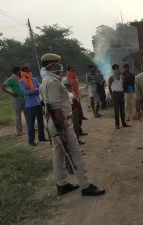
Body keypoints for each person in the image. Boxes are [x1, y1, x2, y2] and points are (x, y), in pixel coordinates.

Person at [40, 53, 105, 196]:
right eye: (57, 63)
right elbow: (55, 107)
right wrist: (63, 128)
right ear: (52, 65)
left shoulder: (46, 81)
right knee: (75, 154)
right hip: (61, 122)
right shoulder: (53, 82)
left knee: (58, 155)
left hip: (53, 122)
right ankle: (85, 185)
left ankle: (61, 184)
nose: (60, 65)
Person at [18, 65, 48, 146]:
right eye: (25, 71)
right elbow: (25, 92)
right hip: (29, 105)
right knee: (31, 124)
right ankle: (31, 141)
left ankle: (41, 137)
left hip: (38, 103)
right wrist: (34, 90)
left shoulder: (34, 80)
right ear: (22, 72)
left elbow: (40, 89)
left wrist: (32, 90)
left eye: (28, 70)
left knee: (40, 121)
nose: (28, 72)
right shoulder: (21, 82)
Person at [0, 66, 25, 136]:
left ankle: (31, 128)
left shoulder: (21, 78)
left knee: (28, 114)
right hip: (17, 98)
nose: (21, 72)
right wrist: (11, 93)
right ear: (17, 71)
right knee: (18, 115)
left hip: (25, 97)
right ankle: (19, 131)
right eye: (19, 71)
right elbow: (2, 87)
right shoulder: (11, 79)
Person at [66, 66, 88, 136]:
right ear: (68, 70)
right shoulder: (67, 79)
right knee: (75, 118)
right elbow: (68, 90)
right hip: (71, 98)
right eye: (71, 70)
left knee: (78, 116)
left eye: (73, 70)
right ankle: (77, 133)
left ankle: (79, 131)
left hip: (76, 96)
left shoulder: (74, 77)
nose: (73, 71)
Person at [108, 64, 131, 129]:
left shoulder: (122, 77)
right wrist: (111, 94)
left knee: (122, 109)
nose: (116, 70)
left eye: (117, 68)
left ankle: (123, 123)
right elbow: (109, 87)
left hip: (121, 93)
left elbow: (123, 85)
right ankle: (117, 124)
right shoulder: (111, 78)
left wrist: (122, 92)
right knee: (116, 110)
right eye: (115, 69)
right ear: (113, 70)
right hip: (115, 93)